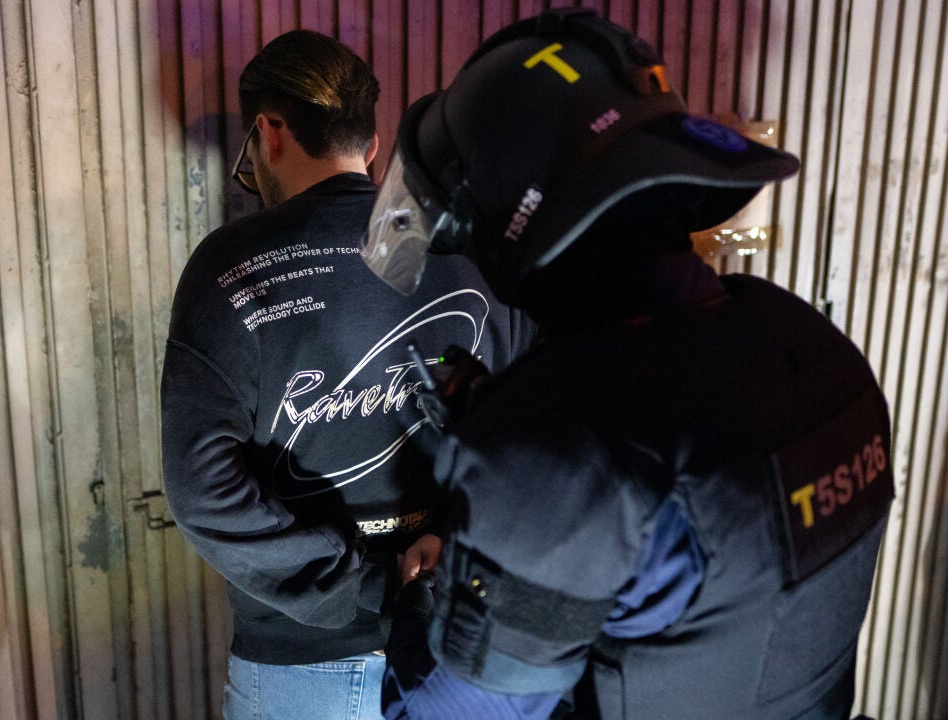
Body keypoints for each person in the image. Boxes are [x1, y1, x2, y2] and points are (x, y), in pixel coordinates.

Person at [362, 9, 894, 719]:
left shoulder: (560, 450)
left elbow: (446, 713)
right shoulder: (817, 348)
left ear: (508, 225)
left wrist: (417, 604)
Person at [159, 29, 534, 720]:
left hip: (305, 662)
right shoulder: (470, 252)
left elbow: (202, 492)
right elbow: (538, 433)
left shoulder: (230, 268)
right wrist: (454, 545)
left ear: (269, 132)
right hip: (468, 646)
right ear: (371, 144)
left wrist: (362, 586)